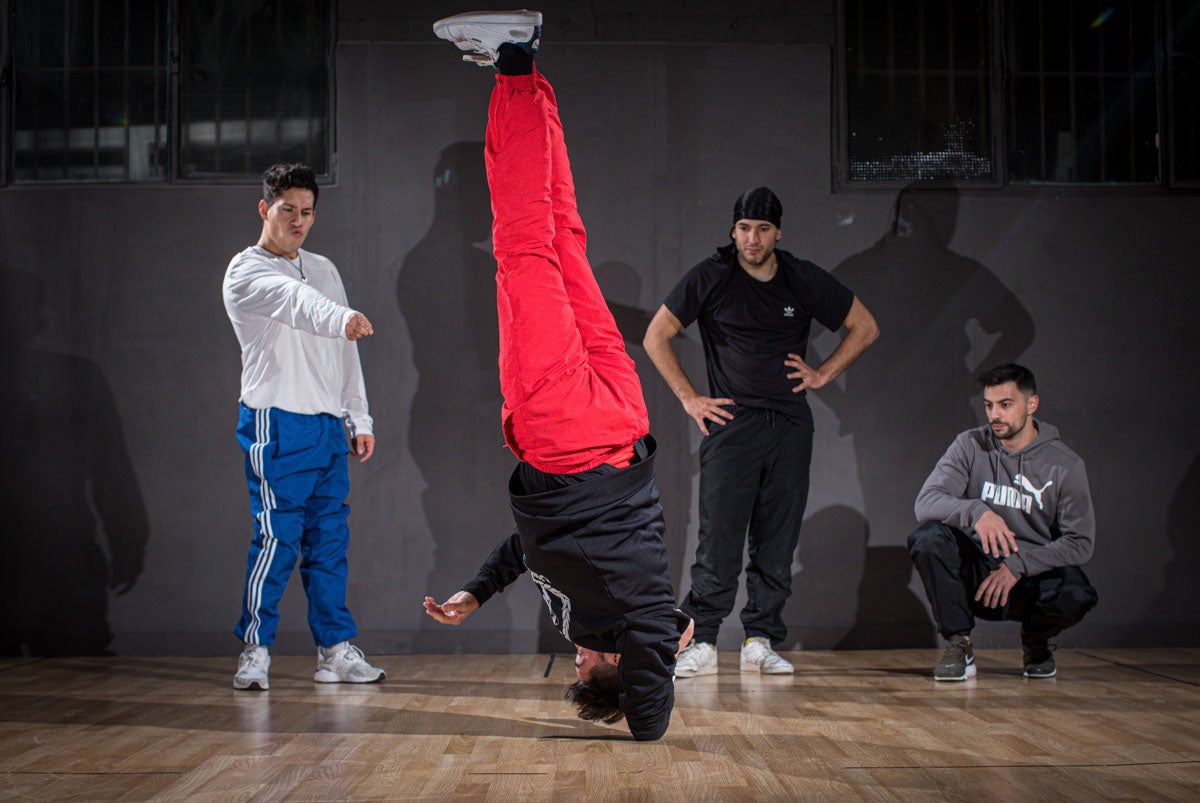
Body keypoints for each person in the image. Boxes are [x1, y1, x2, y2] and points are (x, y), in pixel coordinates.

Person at [426, 10, 693, 741]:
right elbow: (649, 722)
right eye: (583, 671)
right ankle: (514, 60)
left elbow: (529, 547)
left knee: (557, 233)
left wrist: (475, 594)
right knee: (520, 245)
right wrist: (654, 650)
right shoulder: (631, 613)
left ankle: (527, 70)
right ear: (613, 662)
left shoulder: (594, 602)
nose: (571, 660)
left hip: (617, 424)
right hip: (568, 434)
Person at [643, 188, 879, 677]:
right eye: (745, 228)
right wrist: (690, 398)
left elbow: (864, 326)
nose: (753, 238)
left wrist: (822, 374)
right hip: (732, 426)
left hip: (791, 426)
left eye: (763, 229)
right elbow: (655, 335)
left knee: (777, 538)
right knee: (719, 540)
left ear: (778, 233)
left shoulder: (799, 276)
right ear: (734, 230)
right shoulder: (713, 276)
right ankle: (701, 640)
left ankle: (760, 638)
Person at [222, 163, 385, 690]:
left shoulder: (324, 267)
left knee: (329, 542)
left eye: (307, 211)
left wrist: (356, 415)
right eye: (287, 209)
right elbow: (299, 305)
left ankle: (334, 651)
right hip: (275, 420)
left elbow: (344, 353)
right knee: (277, 539)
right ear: (265, 208)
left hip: (325, 426)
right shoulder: (246, 272)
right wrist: (341, 317)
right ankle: (255, 650)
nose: (298, 220)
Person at [908, 363, 1099, 681]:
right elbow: (925, 502)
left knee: (1077, 593)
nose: (994, 414)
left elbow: (1081, 543)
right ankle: (960, 644)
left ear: (1031, 404)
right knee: (928, 537)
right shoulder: (970, 445)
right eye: (989, 405)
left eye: (1005, 404)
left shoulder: (1065, 465)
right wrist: (978, 512)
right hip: (978, 578)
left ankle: (1036, 642)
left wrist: (1018, 564)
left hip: (1028, 580)